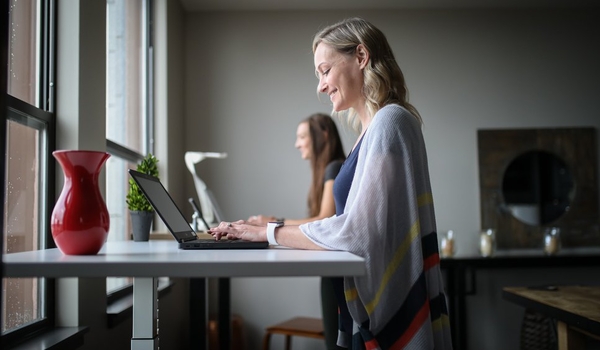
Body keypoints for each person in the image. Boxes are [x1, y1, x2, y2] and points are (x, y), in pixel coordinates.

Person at [210, 17, 452, 349]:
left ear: (362, 57)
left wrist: (267, 232)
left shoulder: (389, 121)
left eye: (325, 70)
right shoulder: (371, 132)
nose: (321, 86)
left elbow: (358, 232)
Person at [248, 113, 346, 350]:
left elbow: (324, 219)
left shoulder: (334, 167)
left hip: (338, 271)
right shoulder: (329, 169)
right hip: (336, 265)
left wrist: (272, 223)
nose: (297, 143)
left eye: (302, 136)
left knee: (335, 343)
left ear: (323, 135)